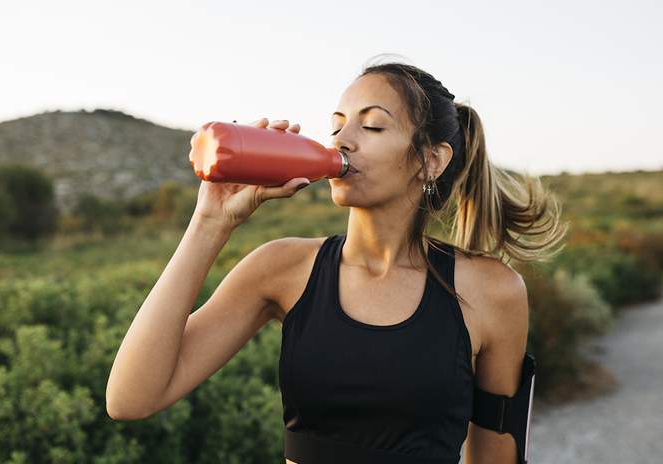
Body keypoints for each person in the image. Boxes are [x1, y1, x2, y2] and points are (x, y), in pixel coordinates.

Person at [106, 56, 568, 464]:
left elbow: (494, 458)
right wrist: (210, 221)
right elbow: (131, 398)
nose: (341, 142)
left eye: (370, 126)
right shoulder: (282, 268)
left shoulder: (491, 291)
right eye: (337, 125)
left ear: (431, 160)